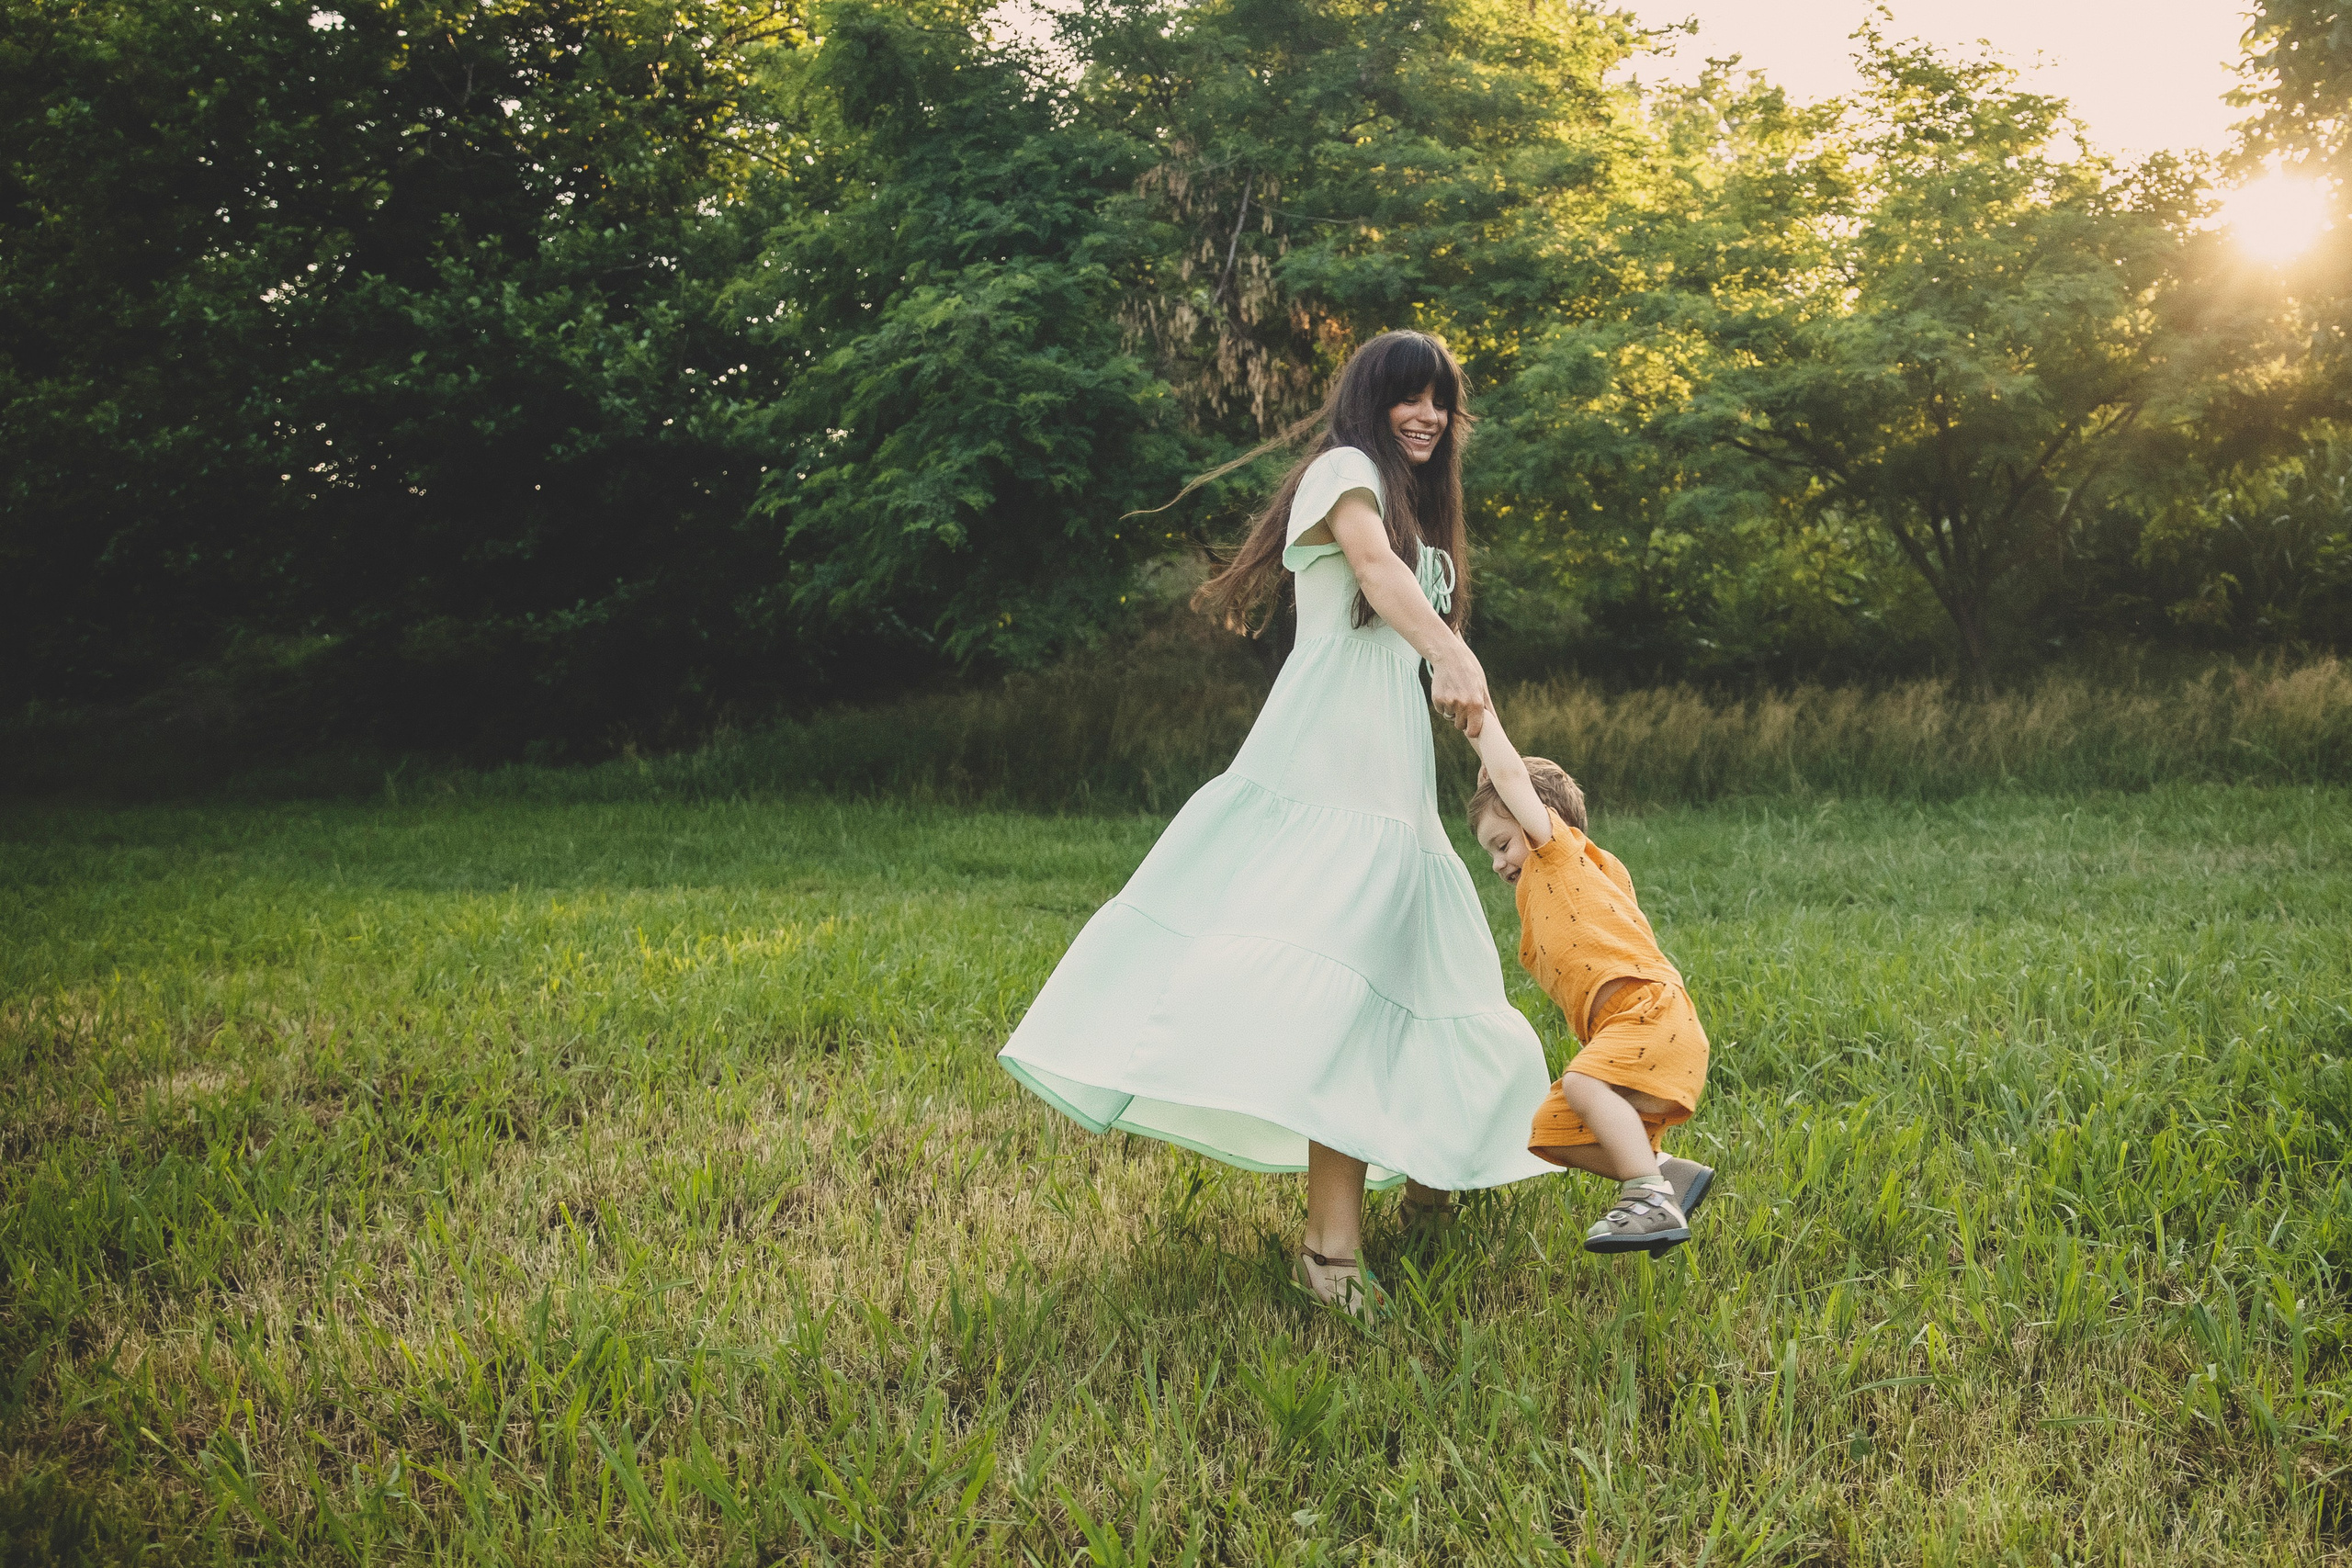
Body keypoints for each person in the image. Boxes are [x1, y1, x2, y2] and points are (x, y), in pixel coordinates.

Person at [998, 331, 1553, 1317]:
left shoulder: (1423, 526)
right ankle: (1329, 1251)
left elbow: (1462, 691)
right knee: (1341, 995)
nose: (1426, 416)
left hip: (1392, 793)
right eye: (1407, 397)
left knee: (1429, 981)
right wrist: (1450, 653)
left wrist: (1529, 805)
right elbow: (1376, 578)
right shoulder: (1343, 476)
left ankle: (1435, 1182)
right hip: (1322, 778)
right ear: (1369, 402)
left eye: (1441, 402)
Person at [1464, 708, 1716, 1255]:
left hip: (1647, 1011)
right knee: (1552, 1130)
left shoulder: (1559, 855)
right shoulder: (1577, 876)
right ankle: (1669, 1175)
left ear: (1541, 820)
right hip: (1630, 1026)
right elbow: (1505, 786)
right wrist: (1491, 781)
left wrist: (1482, 726)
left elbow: (1511, 779)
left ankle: (1647, 1195)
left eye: (1502, 843)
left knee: (1581, 1086)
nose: (1498, 863)